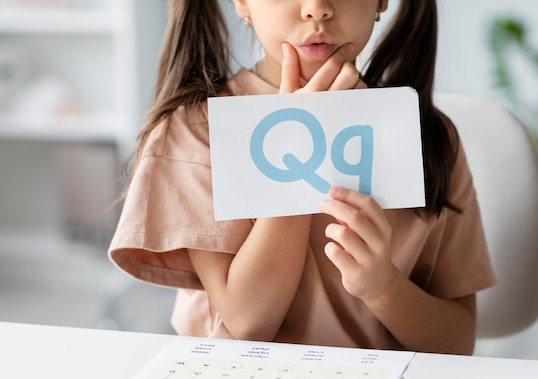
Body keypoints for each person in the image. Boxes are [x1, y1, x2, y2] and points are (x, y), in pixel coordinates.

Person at [108, 0, 496, 355]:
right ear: (241, 3)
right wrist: (299, 137)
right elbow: (248, 323)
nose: (317, 9)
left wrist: (383, 286)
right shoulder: (199, 128)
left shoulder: (429, 137)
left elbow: (458, 342)